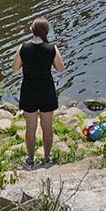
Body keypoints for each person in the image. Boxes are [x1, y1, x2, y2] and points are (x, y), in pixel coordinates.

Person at [15, 18, 65, 166]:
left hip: (29, 90)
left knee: (31, 127)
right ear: (46, 32)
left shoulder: (23, 47)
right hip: (47, 91)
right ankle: (47, 157)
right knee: (47, 126)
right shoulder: (52, 48)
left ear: (32, 30)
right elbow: (61, 68)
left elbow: (15, 68)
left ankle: (30, 159)